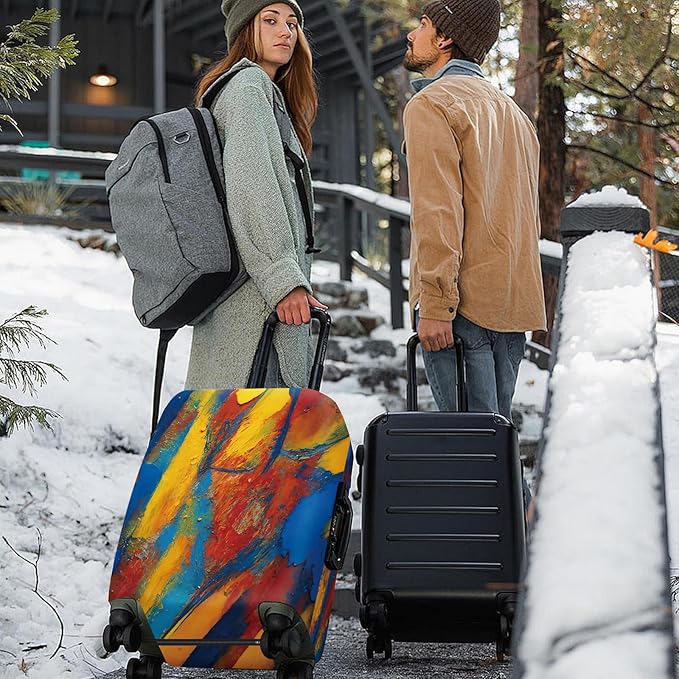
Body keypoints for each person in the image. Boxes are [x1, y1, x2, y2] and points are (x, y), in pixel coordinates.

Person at [403, 0, 547, 420]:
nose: (412, 34)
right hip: (511, 311)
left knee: (471, 447)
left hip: (459, 311)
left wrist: (435, 305)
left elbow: (437, 212)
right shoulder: (515, 115)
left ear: (445, 38)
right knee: (496, 440)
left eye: (423, 24)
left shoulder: (431, 105)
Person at [185, 0, 326, 391]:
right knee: (260, 425)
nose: (286, 32)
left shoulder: (255, 91)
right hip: (258, 310)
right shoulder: (248, 89)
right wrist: (284, 280)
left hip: (248, 303)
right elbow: (253, 188)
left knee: (241, 426)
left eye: (292, 23)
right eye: (270, 20)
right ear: (245, 29)